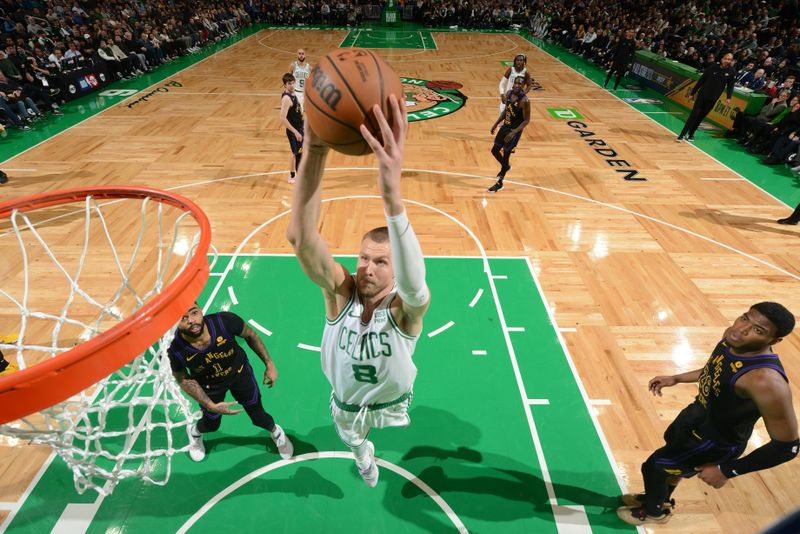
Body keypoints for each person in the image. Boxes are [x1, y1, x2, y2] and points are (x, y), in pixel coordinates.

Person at [287, 94, 430, 487]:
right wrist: (314, 148)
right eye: (363, 257)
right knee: (352, 439)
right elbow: (300, 238)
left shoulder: (404, 309)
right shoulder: (340, 293)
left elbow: (418, 289)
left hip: (392, 401)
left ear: (396, 269)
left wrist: (392, 197)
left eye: (380, 262)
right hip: (347, 401)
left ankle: (365, 445)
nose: (366, 267)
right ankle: (363, 455)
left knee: (370, 428)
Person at [618, 302, 798, 526]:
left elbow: (787, 447)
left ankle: (654, 511)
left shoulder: (766, 381)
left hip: (714, 442)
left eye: (758, 330)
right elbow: (715, 370)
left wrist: (727, 470)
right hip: (697, 417)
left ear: (774, 341)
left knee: (654, 468)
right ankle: (661, 499)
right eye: (744, 318)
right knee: (671, 466)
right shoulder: (732, 340)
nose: (742, 329)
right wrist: (677, 378)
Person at [168, 303, 294, 462]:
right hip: (209, 386)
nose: (191, 320)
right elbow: (183, 378)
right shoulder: (174, 349)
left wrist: (268, 363)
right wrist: (209, 405)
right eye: (183, 318)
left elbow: (250, 335)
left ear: (200, 311)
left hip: (240, 374)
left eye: (194, 313)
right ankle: (194, 433)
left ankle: (277, 433)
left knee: (258, 415)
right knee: (211, 424)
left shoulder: (224, 321)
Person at [677, 52, 736, 142]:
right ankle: (682, 134)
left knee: (700, 117)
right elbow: (701, 80)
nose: (727, 60)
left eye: (729, 59)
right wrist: (692, 93)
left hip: (713, 99)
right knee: (694, 115)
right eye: (726, 58)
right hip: (702, 96)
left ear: (731, 61)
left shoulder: (732, 71)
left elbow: (730, 85)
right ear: (722, 58)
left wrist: (728, 97)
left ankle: (691, 134)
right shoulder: (713, 67)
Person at [488, 76, 530, 192]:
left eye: (520, 84)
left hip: (514, 131)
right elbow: (506, 111)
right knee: (494, 151)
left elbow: (527, 120)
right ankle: (506, 167)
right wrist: (496, 123)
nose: (517, 85)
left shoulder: (524, 101)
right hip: (505, 126)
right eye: (516, 83)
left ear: (523, 86)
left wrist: (514, 133)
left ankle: (500, 182)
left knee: (506, 154)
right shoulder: (509, 94)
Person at [280, 73, 303, 184]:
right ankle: (296, 177)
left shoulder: (294, 94)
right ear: (285, 85)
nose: (292, 85)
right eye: (289, 84)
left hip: (299, 127)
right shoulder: (286, 99)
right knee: (297, 153)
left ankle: (294, 174)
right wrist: (295, 132)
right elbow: (283, 118)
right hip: (294, 130)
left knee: (298, 152)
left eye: (293, 83)